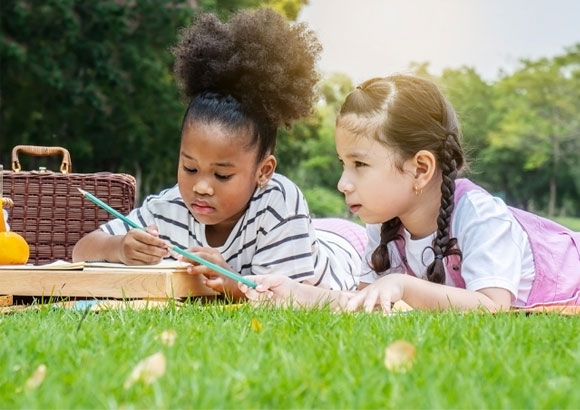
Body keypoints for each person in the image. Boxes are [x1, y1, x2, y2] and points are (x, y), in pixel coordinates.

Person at [72, 8, 366, 300]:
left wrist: (232, 285)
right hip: (307, 233)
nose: (201, 186)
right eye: (189, 168)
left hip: (344, 245)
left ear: (263, 171)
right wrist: (120, 247)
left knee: (342, 237)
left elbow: (285, 299)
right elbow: (81, 249)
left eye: (222, 174)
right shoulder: (167, 209)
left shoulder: (278, 203)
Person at [239, 74, 580, 312]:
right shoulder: (383, 224)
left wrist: (404, 287)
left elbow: (492, 306)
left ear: (420, 169)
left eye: (359, 164)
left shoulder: (478, 214)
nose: (343, 182)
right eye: (343, 163)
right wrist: (295, 292)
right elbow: (362, 302)